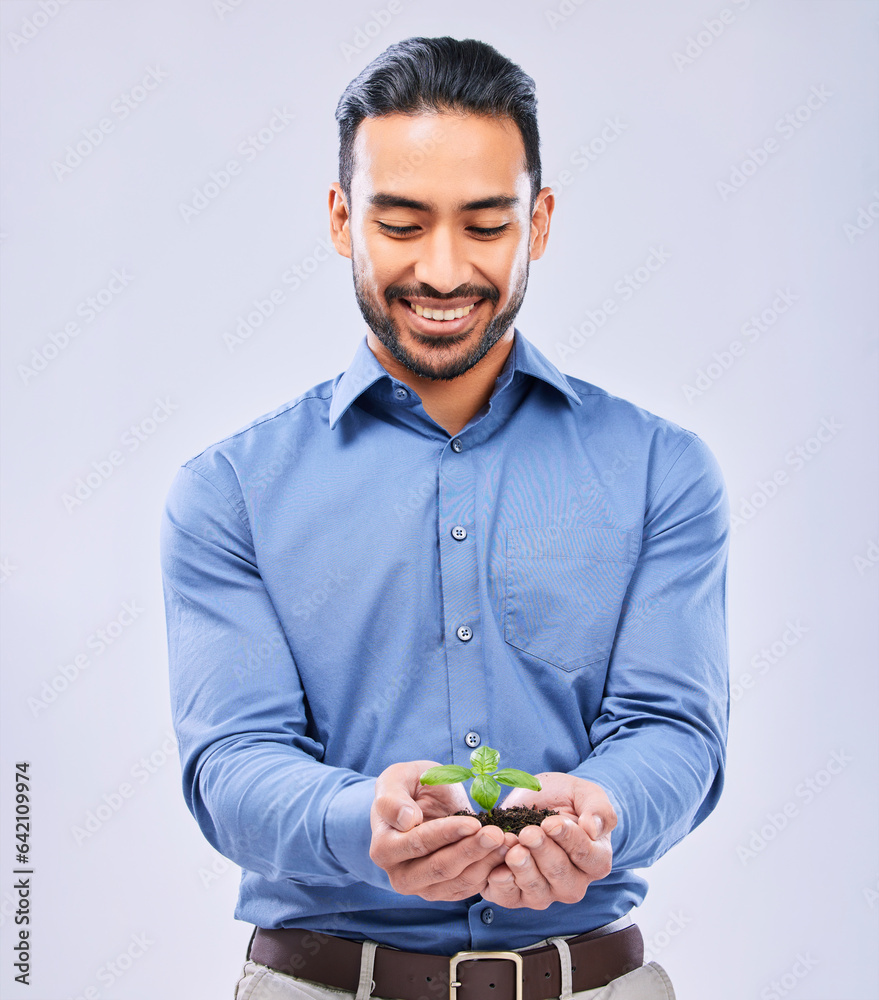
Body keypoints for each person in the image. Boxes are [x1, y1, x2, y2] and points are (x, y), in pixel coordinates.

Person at [160, 36, 729, 1000]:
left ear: (537, 224)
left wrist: (604, 810)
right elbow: (231, 763)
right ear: (343, 219)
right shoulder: (228, 491)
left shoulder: (661, 471)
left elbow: (674, 729)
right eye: (401, 222)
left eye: (483, 225)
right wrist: (358, 821)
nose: (441, 270)